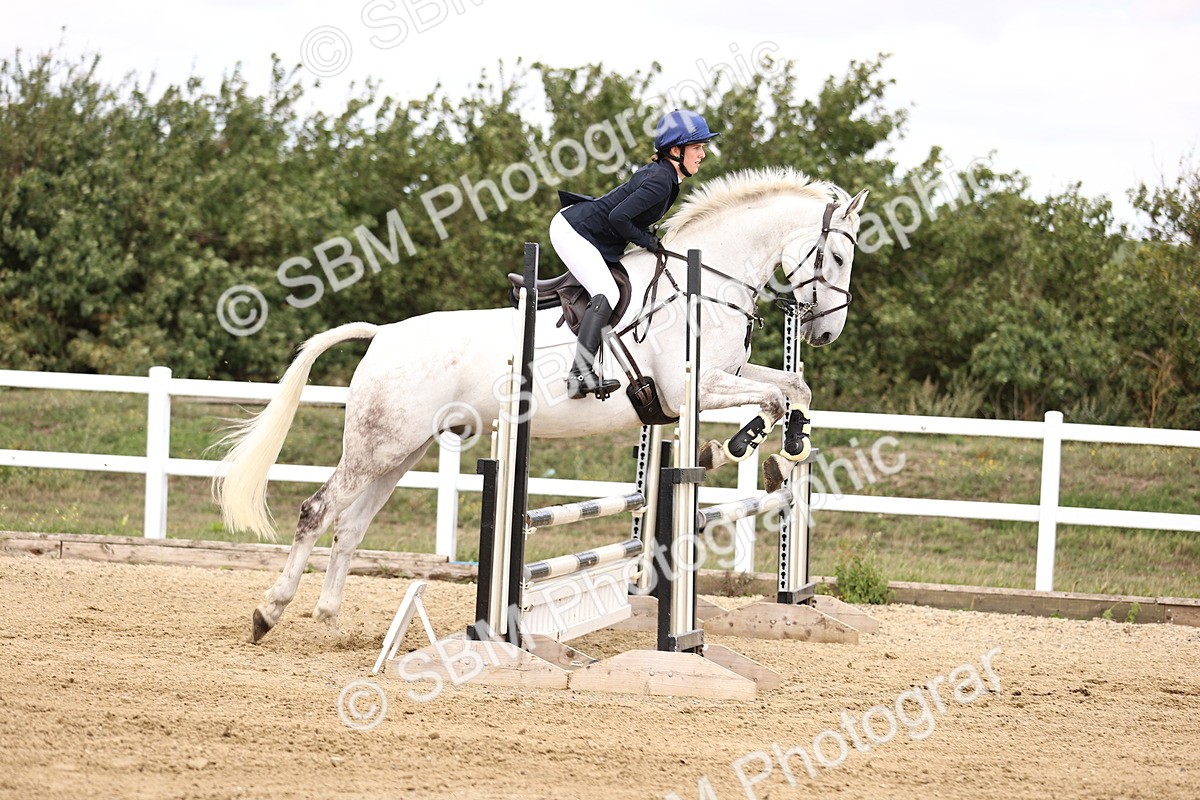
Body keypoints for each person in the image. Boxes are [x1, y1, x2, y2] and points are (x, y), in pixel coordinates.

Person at [549, 109, 720, 399]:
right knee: (607, 292)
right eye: (697, 147)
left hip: (588, 232)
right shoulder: (660, 180)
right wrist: (649, 243)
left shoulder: (666, 177)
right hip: (573, 231)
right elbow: (618, 218)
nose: (702, 154)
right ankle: (580, 373)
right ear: (676, 150)